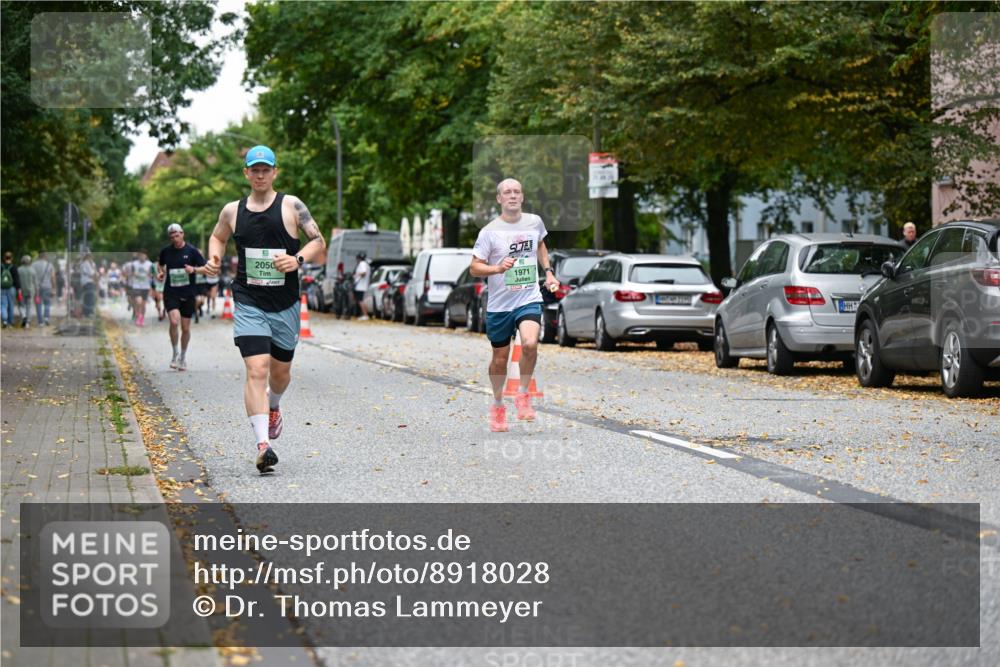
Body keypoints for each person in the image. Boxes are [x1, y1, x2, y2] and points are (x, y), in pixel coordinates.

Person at [204, 145, 326, 474]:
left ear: (274, 172)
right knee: (256, 370)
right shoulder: (232, 210)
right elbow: (218, 237)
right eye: (253, 170)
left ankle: (274, 405)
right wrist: (214, 257)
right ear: (246, 173)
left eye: (265, 170)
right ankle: (263, 446)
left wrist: (297, 259)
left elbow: (318, 241)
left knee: (279, 374)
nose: (259, 175)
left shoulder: (292, 205)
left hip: (285, 303)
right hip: (248, 300)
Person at [469, 178, 560, 432]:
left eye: (516, 191)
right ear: (499, 199)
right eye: (507, 192)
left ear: (522, 197)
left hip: (528, 298)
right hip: (500, 305)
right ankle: (498, 405)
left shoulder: (534, 222)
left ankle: (522, 394)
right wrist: (497, 268)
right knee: (500, 359)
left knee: (530, 343)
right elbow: (474, 267)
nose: (512, 195)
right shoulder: (489, 231)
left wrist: (549, 272)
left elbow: (540, 244)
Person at [157, 224, 208, 370]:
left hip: (188, 293)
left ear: (182, 234)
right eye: (172, 236)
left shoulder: (192, 251)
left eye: (177, 235)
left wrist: (194, 269)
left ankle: (183, 357)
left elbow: (205, 268)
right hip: (171, 292)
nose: (174, 238)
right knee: (174, 321)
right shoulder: (166, 251)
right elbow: (160, 265)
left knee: (185, 328)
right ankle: (174, 354)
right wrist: (160, 273)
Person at [124, 249, 154, 327]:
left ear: (146, 256)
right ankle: (138, 315)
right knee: (138, 302)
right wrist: (133, 274)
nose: (142, 256)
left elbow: (152, 275)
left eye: (143, 255)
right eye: (140, 255)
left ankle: (141, 318)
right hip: (136, 286)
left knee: (143, 305)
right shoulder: (134, 264)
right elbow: (131, 273)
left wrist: (150, 275)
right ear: (138, 256)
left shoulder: (150, 264)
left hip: (146, 286)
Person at [32, 251, 55, 325]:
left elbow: (32, 277)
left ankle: (40, 322)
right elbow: (52, 277)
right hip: (47, 286)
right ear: (45, 256)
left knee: (38, 304)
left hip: (37, 288)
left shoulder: (33, 265)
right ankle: (46, 318)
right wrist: (54, 288)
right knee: (47, 303)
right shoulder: (50, 265)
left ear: (39, 256)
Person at [17, 255, 38, 328]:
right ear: (30, 261)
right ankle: (27, 322)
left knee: (21, 305)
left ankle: (24, 316)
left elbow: (17, 281)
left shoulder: (19, 270)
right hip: (30, 291)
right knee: (29, 306)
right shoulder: (33, 270)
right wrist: (37, 293)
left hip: (21, 290)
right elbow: (35, 283)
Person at [1, 251, 20, 328]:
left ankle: (4, 320)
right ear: (11, 258)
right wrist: (18, 289)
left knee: (3, 305)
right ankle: (10, 323)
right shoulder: (14, 267)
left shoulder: (1, 266)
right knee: (11, 305)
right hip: (11, 288)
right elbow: (16, 279)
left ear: (4, 258)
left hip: (1, 288)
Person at [353, 252, 371, 320]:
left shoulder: (362, 264)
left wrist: (356, 275)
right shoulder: (366, 264)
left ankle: (365, 315)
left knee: (360, 301)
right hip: (363, 285)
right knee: (361, 300)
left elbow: (364, 272)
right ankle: (363, 314)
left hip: (360, 286)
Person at [79, 252, 97, 317]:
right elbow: (92, 273)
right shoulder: (87, 263)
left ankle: (85, 313)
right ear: (88, 256)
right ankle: (88, 313)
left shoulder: (82, 263)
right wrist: (93, 266)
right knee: (90, 298)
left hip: (84, 283)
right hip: (89, 282)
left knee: (86, 298)